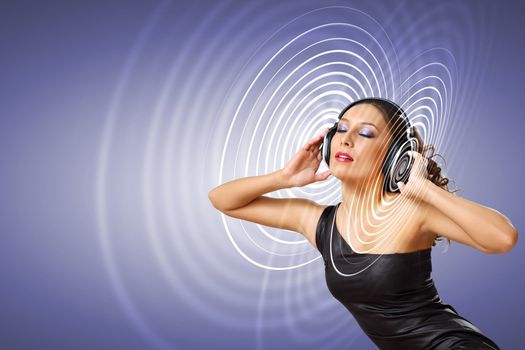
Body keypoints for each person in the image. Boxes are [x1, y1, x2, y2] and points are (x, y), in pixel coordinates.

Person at [208, 97, 517, 349]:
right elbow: (223, 199)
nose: (347, 140)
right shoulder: (316, 222)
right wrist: (284, 178)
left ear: (393, 154)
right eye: (341, 130)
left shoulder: (410, 212)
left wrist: (423, 189)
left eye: (365, 133)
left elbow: (502, 238)